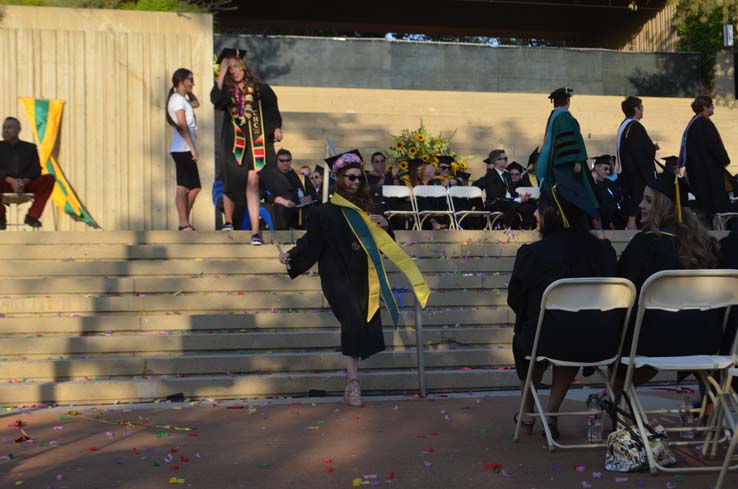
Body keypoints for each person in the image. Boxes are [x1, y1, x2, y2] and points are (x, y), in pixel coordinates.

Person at [279, 150, 429, 407]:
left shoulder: (369, 208)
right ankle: (353, 381)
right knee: (351, 321)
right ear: (338, 178)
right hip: (337, 276)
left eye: (359, 178)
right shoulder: (324, 212)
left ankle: (351, 380)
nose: (356, 182)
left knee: (360, 323)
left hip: (364, 276)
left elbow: (384, 245)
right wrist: (291, 256)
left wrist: (385, 226)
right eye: (350, 178)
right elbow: (310, 243)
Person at [508, 184, 619, 438]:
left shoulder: (534, 253)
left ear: (551, 214)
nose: (535, 214)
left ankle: (527, 410)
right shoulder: (603, 251)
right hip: (599, 340)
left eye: (539, 209)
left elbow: (516, 299)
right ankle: (551, 412)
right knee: (572, 327)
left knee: (533, 334)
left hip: (549, 338)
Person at [617, 171, 722, 388]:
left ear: (664, 205)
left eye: (648, 200)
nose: (640, 205)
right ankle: (709, 407)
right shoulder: (706, 244)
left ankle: (616, 396)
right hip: (706, 341)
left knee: (620, 326)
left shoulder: (646, 243)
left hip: (656, 341)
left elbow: (622, 287)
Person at [211, 48, 283, 244]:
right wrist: (221, 75)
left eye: (235, 66)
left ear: (243, 66)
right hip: (234, 145)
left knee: (253, 185)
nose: (233, 70)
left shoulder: (260, 89)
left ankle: (254, 231)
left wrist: (276, 128)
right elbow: (216, 100)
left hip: (257, 144)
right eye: (229, 68)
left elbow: (272, 109)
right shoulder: (227, 92)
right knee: (230, 181)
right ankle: (228, 220)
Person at [536, 87, 598, 219]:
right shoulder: (564, 117)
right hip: (567, 167)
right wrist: (575, 160)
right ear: (567, 101)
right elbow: (568, 142)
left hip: (558, 164)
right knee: (575, 198)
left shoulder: (553, 117)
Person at [679, 95, 731, 226]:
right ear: (704, 107)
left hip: (698, 173)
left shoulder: (693, 123)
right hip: (709, 174)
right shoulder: (703, 123)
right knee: (715, 209)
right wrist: (725, 159)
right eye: (711, 105)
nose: (714, 107)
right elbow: (714, 146)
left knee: (705, 207)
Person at [0, 117, 55, 229]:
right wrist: (11, 181)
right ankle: (0, 218)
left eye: (9, 127)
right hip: (4, 184)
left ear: (18, 130)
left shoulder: (30, 148)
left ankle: (32, 216)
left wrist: (23, 182)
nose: (5, 130)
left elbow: (36, 170)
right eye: (4, 127)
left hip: (26, 185)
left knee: (49, 179)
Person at [616, 96, 659, 230]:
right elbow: (640, 151)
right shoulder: (635, 126)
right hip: (637, 175)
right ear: (636, 109)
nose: (643, 110)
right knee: (639, 202)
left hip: (627, 172)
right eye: (641, 107)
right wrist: (652, 148)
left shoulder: (624, 125)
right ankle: (632, 224)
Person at [166, 68, 201, 231]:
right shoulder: (177, 99)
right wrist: (192, 148)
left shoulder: (182, 98)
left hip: (185, 147)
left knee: (195, 187)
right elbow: (183, 125)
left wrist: (189, 90)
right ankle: (183, 223)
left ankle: (184, 220)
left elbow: (196, 103)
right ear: (180, 80)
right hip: (182, 148)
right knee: (183, 186)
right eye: (190, 80)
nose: (192, 83)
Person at [473, 149, 535, 229]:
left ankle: (522, 228)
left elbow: (512, 192)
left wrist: (521, 198)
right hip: (495, 204)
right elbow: (495, 196)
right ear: (496, 161)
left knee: (531, 207)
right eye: (504, 159)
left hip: (511, 203)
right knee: (515, 204)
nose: (507, 161)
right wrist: (517, 200)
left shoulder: (507, 175)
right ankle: (503, 226)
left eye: (507, 158)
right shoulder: (490, 176)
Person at [259, 148, 315, 230]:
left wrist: (308, 197)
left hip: (299, 204)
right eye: (282, 161)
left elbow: (310, 190)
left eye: (287, 160)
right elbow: (264, 191)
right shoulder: (270, 174)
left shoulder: (295, 174)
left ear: (291, 161)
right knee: (283, 210)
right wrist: (279, 200)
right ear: (277, 160)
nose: (285, 163)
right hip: (281, 205)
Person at [592, 155, 626, 230]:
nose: (608, 172)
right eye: (605, 169)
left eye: (609, 169)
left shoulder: (610, 183)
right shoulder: (592, 184)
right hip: (601, 221)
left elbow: (619, 197)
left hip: (616, 220)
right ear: (597, 168)